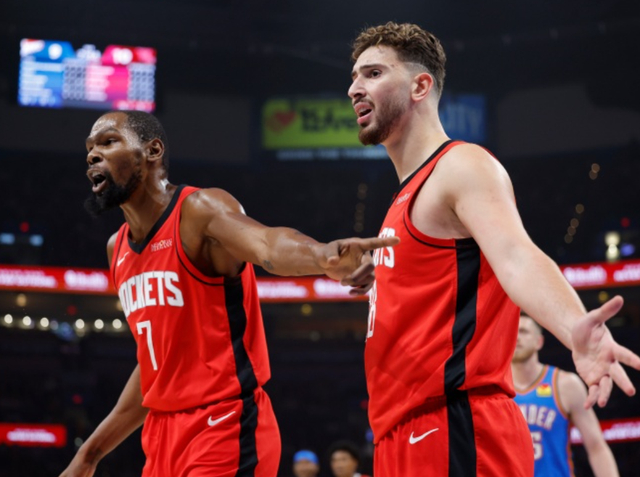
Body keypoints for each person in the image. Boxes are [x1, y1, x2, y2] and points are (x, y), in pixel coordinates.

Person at [347, 21, 640, 476]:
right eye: (354, 76)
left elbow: (518, 257)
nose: (354, 88)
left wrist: (573, 328)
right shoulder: (404, 198)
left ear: (420, 86)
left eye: (373, 73)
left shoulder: (460, 165)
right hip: (404, 431)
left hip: (455, 424)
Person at [59, 110, 398, 477]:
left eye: (108, 142)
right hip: (161, 438)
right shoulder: (117, 249)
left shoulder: (198, 211)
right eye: (90, 148)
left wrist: (321, 255)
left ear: (153, 151)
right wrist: (89, 454)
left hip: (225, 423)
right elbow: (158, 366)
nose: (93, 155)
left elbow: (266, 243)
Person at [512, 314, 619, 477]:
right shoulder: (492, 387)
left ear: (539, 341)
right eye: (512, 332)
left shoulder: (565, 384)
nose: (516, 337)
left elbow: (596, 446)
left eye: (523, 331)